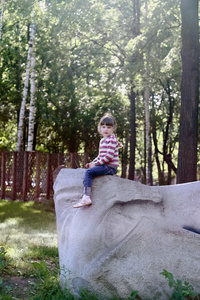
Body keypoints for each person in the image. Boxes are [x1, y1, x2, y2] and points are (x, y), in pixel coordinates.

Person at [73, 113, 119, 208]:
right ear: (100, 128)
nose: (106, 129)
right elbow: (100, 156)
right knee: (88, 171)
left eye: (109, 127)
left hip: (110, 167)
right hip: (104, 165)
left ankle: (86, 197)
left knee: (89, 173)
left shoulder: (112, 139)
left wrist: (96, 164)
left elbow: (109, 157)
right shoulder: (102, 141)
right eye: (103, 127)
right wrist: (92, 163)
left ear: (113, 128)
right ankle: (84, 194)